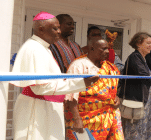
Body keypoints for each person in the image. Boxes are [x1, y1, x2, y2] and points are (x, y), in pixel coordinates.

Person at [10, 11, 98, 140]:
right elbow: (40, 87)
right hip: (37, 109)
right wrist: (81, 84)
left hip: (46, 107)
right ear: (41, 29)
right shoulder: (35, 49)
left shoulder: (43, 48)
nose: (59, 31)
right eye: (55, 28)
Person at [64, 38, 124, 140]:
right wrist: (77, 119)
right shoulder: (79, 65)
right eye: (103, 49)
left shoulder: (108, 67)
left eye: (108, 49)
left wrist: (116, 98)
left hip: (108, 120)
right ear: (92, 48)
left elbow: (110, 90)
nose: (107, 52)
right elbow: (70, 94)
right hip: (85, 120)